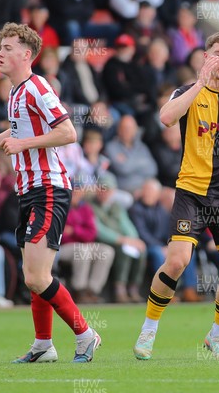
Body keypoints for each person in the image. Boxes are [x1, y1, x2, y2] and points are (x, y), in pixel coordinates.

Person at [0, 23, 100, 364]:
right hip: (29, 190)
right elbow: (15, 132)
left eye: (7, 48)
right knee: (35, 274)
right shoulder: (16, 92)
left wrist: (23, 144)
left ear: (26, 55)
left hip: (49, 188)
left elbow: (68, 132)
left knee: (35, 276)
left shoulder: (38, 87)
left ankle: (86, 335)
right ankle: (43, 345)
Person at [132, 31, 219, 361]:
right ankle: (149, 329)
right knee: (177, 261)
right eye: (218, 54)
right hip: (191, 192)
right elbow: (165, 118)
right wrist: (198, 83)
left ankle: (217, 336)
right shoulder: (188, 93)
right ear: (205, 57)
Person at [88, 172, 147, 303]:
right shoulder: (90, 206)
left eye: (108, 189)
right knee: (124, 250)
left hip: (121, 240)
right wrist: (122, 240)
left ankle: (134, 289)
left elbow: (127, 226)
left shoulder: (116, 206)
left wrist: (134, 240)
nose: (104, 192)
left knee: (140, 250)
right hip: (103, 241)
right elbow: (99, 230)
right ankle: (119, 290)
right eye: (102, 188)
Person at [57, 181, 115, 304]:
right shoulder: (60, 206)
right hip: (61, 248)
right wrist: (80, 233)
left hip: (82, 244)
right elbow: (62, 235)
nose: (76, 194)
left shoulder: (85, 208)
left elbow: (92, 234)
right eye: (74, 191)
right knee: (82, 249)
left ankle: (92, 290)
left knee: (107, 251)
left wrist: (74, 231)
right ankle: (79, 290)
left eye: (79, 191)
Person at [105, 114, 158, 195]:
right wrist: (142, 162)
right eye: (125, 128)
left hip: (144, 187)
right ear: (119, 129)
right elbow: (123, 169)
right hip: (124, 189)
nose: (128, 131)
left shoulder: (142, 146)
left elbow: (153, 169)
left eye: (130, 128)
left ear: (135, 130)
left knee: (169, 195)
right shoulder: (111, 147)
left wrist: (129, 162)